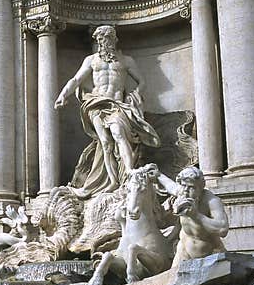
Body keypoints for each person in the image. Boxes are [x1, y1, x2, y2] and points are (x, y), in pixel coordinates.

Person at [54, 25, 160, 198]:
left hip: (117, 104)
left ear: (115, 39)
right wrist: (63, 95)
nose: (105, 42)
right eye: (102, 39)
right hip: (96, 103)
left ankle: (130, 175)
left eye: (109, 38)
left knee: (118, 133)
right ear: (98, 41)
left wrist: (136, 94)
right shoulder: (91, 60)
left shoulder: (126, 60)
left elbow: (142, 81)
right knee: (105, 142)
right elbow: (76, 79)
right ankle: (112, 181)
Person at [157, 166, 229, 262]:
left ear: (200, 187)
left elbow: (223, 229)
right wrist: (158, 174)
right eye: (183, 185)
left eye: (191, 187)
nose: (186, 190)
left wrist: (196, 216)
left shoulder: (211, 201)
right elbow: (170, 186)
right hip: (183, 253)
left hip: (209, 255)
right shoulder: (182, 192)